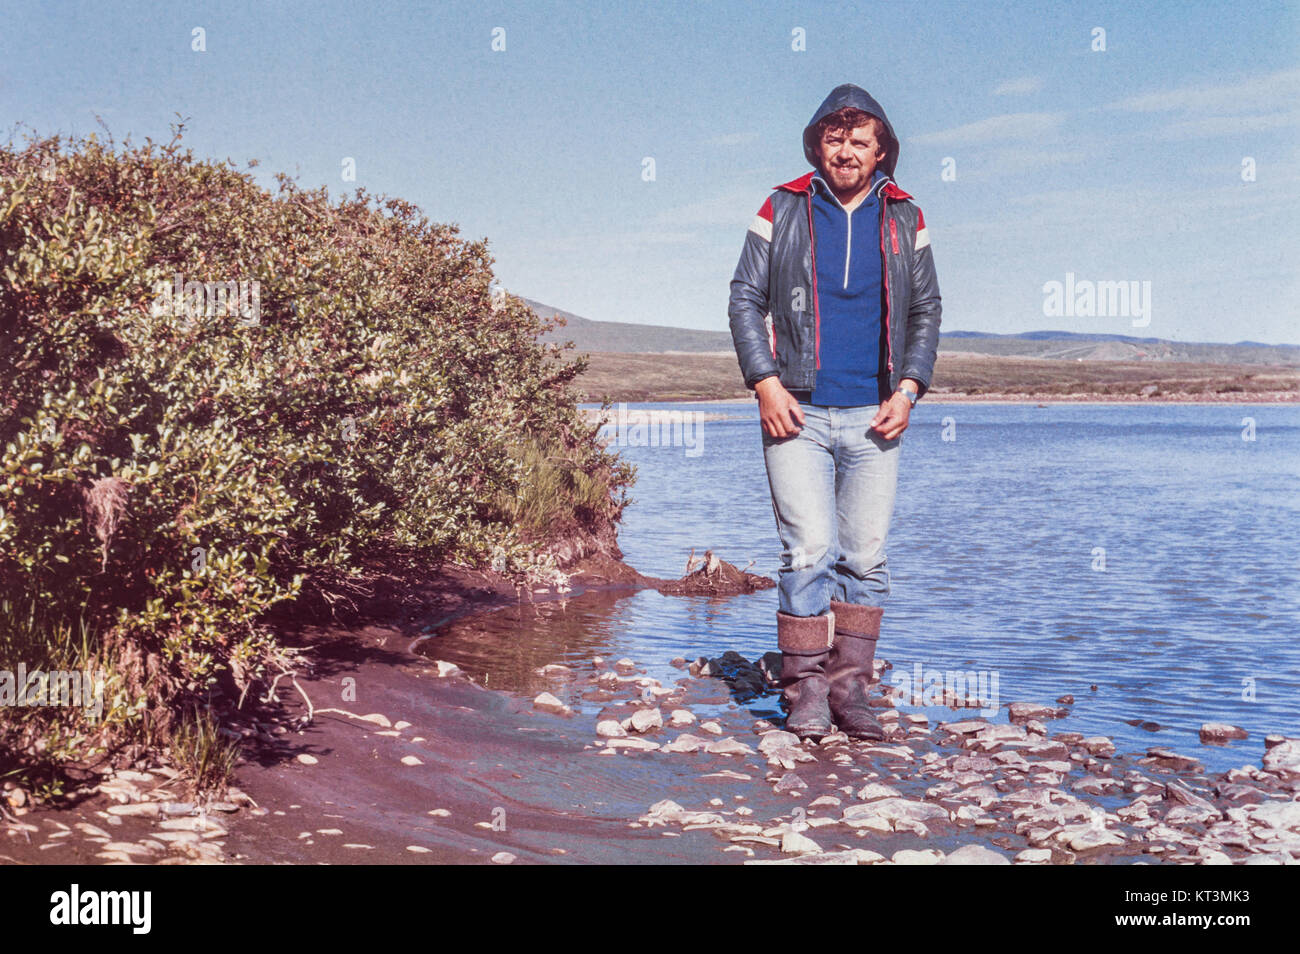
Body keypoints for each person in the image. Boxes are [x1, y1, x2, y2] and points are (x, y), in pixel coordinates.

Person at [728, 83, 942, 741]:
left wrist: (908, 389)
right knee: (809, 550)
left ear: (881, 151)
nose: (845, 151)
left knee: (867, 557)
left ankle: (851, 693)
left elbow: (925, 311)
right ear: (817, 143)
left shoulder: (907, 217)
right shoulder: (781, 206)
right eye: (834, 137)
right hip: (796, 411)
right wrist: (764, 382)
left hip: (877, 414)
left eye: (859, 140)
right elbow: (743, 299)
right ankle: (805, 694)